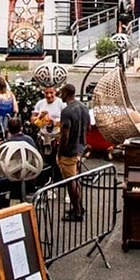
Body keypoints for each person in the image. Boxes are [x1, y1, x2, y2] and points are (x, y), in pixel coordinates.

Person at [0, 118, 50, 210]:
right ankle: (15, 205)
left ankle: (5, 206)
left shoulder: (8, 143)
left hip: (15, 180)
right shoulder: (29, 140)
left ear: (8, 130)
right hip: (33, 179)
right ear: (21, 128)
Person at [58, 84, 90, 222]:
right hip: (80, 147)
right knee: (76, 180)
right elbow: (88, 127)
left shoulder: (66, 111)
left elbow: (65, 135)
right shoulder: (83, 107)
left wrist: (60, 151)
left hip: (69, 151)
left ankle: (77, 212)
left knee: (71, 182)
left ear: (66, 93)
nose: (60, 95)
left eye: (61, 92)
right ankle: (79, 207)